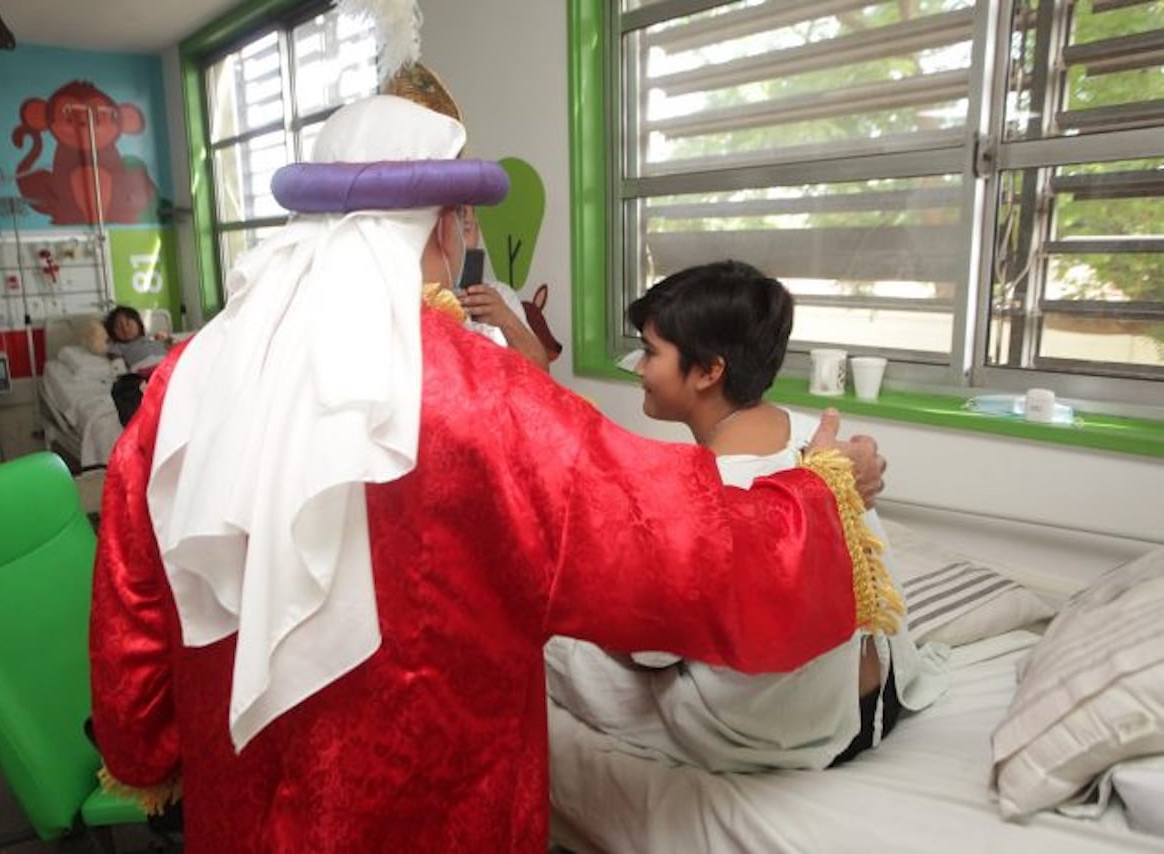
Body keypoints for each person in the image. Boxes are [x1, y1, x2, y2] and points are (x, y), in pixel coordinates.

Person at [88, 94, 891, 851]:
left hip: (244, 779)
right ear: (444, 226)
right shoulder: (477, 394)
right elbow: (667, 542)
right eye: (463, 219)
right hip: (429, 799)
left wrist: (142, 737)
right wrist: (822, 490)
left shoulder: (188, 374)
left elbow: (134, 583)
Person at [546, 260, 949, 773]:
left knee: (550, 638)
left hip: (799, 728)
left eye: (650, 352)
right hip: (881, 695)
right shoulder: (820, 443)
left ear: (710, 371)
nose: (638, 368)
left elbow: (651, 651)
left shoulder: (710, 495)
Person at [454, 205, 550, 370]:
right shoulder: (415, 296)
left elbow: (542, 371)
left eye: (468, 226)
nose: (459, 243)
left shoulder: (500, 295)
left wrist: (505, 319)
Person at [104, 305, 169, 372]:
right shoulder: (119, 345)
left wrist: (164, 340)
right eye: (118, 327)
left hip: (167, 362)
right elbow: (114, 358)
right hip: (146, 368)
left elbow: (166, 345)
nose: (125, 329)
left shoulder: (149, 338)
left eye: (128, 323)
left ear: (138, 323)